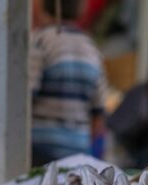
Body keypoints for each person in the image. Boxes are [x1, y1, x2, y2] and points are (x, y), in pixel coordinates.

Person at [30, 0, 108, 166]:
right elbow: (98, 115)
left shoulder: (39, 40)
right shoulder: (91, 48)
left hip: (38, 149)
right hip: (77, 152)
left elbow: (25, 97)